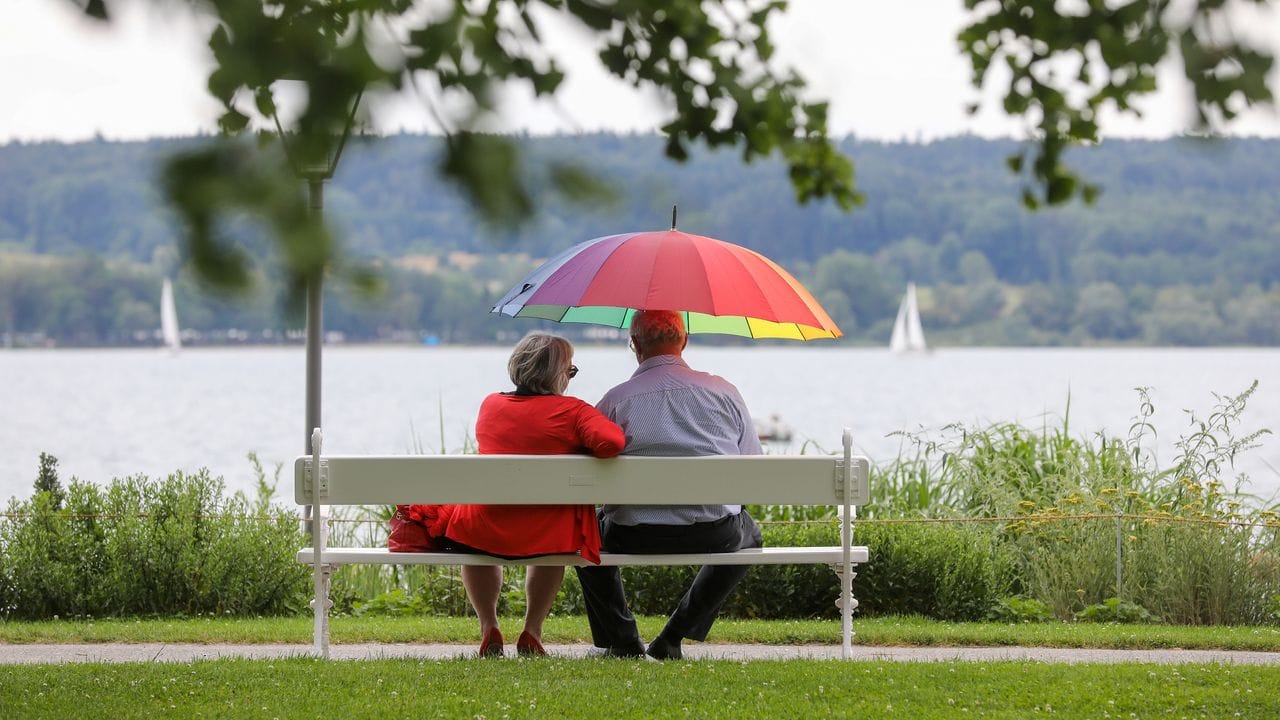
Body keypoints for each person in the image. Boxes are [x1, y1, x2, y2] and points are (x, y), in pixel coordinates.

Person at [396, 332, 624, 657]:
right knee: (549, 541)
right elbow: (612, 443)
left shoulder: (491, 405)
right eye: (570, 371)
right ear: (557, 374)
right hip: (546, 535)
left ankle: (489, 626)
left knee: (475, 534)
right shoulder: (573, 412)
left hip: (483, 529)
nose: (570, 379)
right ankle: (532, 631)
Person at [575, 310, 763, 660]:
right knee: (750, 534)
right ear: (684, 341)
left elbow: (583, 465)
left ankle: (623, 640)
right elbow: (752, 465)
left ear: (635, 345)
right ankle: (673, 637)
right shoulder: (725, 392)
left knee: (584, 536)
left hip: (631, 533)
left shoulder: (617, 399)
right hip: (713, 531)